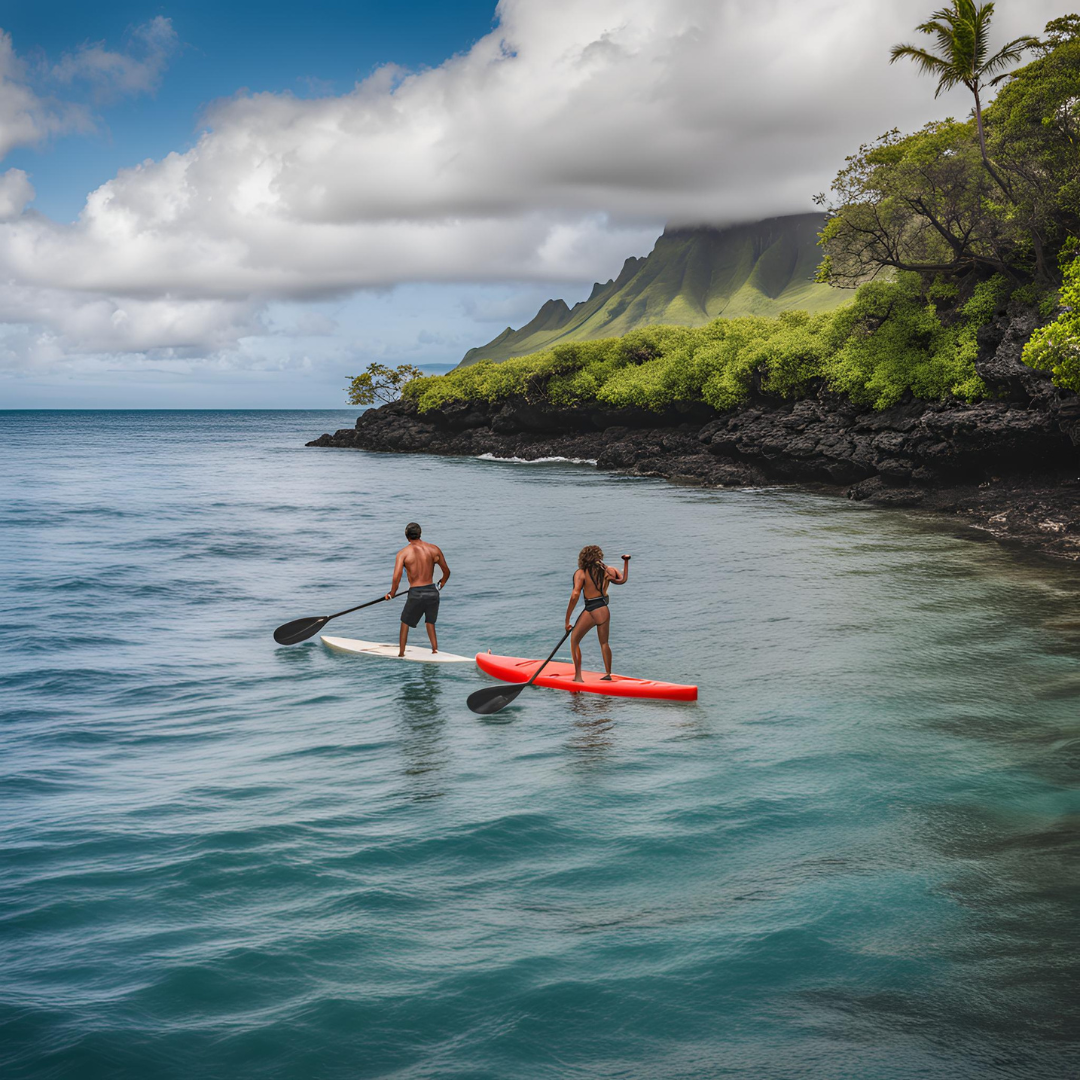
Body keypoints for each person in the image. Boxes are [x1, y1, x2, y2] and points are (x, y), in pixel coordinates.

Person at [565, 546, 630, 682]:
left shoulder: (581, 573)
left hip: (592, 610)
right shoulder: (608, 571)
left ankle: (578, 677)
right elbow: (622, 580)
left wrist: (567, 619)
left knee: (574, 640)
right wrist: (625, 562)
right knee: (604, 643)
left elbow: (575, 595)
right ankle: (608, 674)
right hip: (604, 610)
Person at [386, 523, 450, 656]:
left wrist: (392, 594)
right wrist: (442, 583)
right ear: (420, 534)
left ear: (407, 536)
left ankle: (401, 653)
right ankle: (434, 650)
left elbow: (396, 577)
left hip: (416, 593)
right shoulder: (434, 549)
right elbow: (447, 571)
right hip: (432, 592)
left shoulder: (403, 553)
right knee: (430, 622)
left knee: (405, 622)